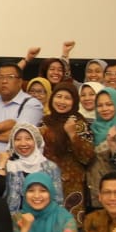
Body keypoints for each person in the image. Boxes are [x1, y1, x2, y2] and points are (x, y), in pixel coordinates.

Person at [0, 63, 44, 165]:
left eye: (10, 77)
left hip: (18, 169)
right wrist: (0, 127)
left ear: (19, 81)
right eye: (0, 77)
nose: (4, 81)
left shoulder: (32, 104)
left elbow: (19, 137)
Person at [40, 84, 95, 214]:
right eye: (59, 96)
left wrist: (72, 135)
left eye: (67, 98)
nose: (62, 101)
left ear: (74, 101)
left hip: (72, 185)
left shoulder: (79, 124)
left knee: (70, 227)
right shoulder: (43, 123)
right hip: (47, 180)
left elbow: (88, 157)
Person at [0, 123, 64, 216]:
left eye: (28, 139)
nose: (23, 143)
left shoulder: (50, 167)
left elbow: (57, 200)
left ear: (36, 141)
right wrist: (2, 163)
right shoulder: (8, 165)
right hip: (13, 221)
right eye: (18, 139)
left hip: (44, 219)